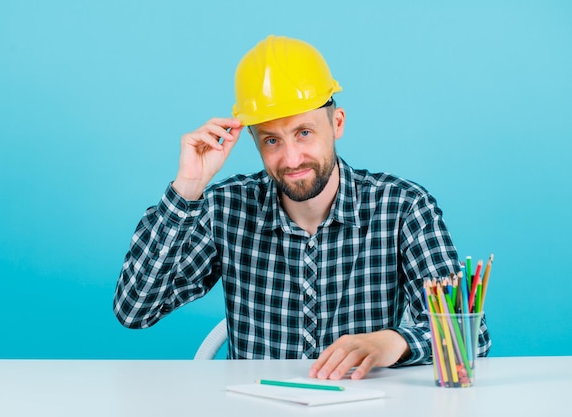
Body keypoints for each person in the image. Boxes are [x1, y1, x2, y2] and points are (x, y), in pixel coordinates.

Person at [113, 35, 491, 380]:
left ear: (337, 123)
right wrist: (188, 188)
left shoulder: (403, 207)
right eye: (272, 140)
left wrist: (391, 343)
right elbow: (135, 310)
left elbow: (468, 338)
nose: (291, 158)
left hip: (364, 404)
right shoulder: (224, 208)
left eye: (304, 133)